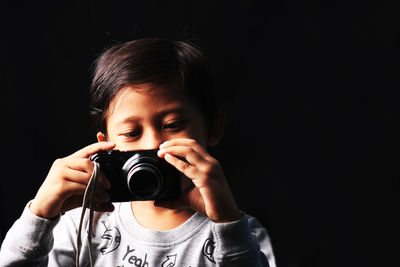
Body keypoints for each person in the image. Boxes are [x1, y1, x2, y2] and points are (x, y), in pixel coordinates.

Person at [0, 38, 276, 266]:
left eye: (173, 125)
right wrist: (40, 214)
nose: (152, 144)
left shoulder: (241, 233)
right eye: (132, 133)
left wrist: (227, 221)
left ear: (214, 128)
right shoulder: (79, 226)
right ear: (105, 144)